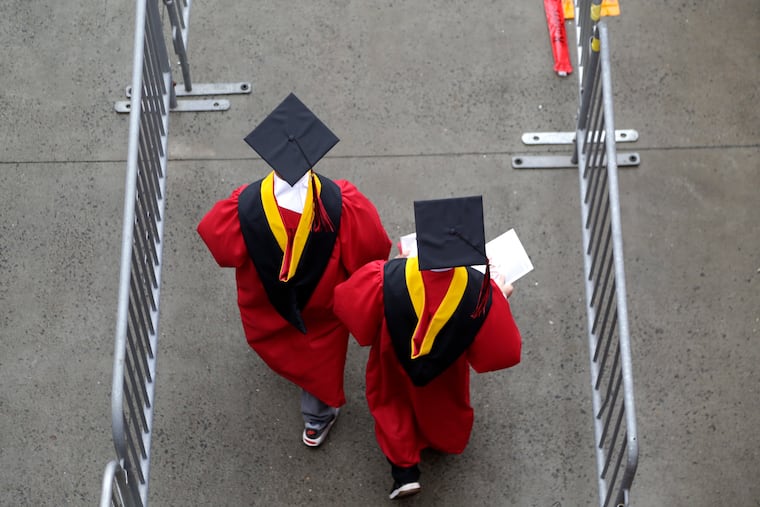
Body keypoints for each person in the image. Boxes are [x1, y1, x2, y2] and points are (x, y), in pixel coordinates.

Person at [197, 93, 392, 447]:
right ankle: (316, 419)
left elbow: (219, 245)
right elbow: (373, 251)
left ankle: (298, 382)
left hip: (266, 305)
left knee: (284, 344)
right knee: (319, 361)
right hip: (322, 309)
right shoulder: (343, 202)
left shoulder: (243, 204)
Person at [332, 195, 522, 499]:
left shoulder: (385, 278)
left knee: (391, 405)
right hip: (445, 372)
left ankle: (404, 473)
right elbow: (504, 352)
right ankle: (441, 442)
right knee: (442, 406)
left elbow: (346, 306)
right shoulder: (481, 291)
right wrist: (498, 298)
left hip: (391, 360)